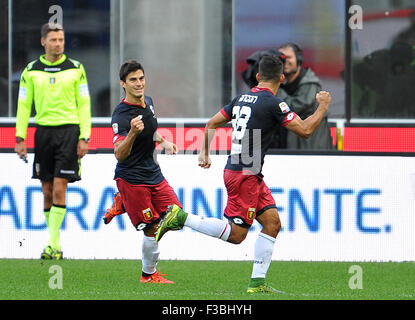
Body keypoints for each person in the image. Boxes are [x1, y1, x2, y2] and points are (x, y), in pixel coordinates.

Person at [156, 55, 332, 293]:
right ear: (281, 77)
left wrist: (204, 152)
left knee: (272, 223)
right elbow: (306, 130)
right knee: (237, 235)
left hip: (247, 172)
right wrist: (322, 105)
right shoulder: (274, 103)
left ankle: (257, 283)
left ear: (258, 77)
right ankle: (181, 217)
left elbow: (211, 123)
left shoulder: (241, 99)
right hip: (244, 174)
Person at [14, 23, 91, 260]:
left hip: (68, 133)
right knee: (46, 190)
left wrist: (84, 136)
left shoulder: (76, 69)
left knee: (59, 188)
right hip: (43, 133)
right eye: (54, 40)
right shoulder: (31, 71)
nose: (59, 44)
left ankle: (53, 244)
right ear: (43, 42)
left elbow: (84, 104)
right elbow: (24, 106)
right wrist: (20, 137)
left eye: (61, 39)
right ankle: (53, 244)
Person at [109, 59, 181, 284]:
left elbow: (150, 130)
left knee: (176, 216)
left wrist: (164, 141)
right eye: (133, 80)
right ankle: (148, 275)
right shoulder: (121, 115)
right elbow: (119, 154)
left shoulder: (148, 102)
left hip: (153, 172)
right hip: (132, 178)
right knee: (150, 229)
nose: (139, 83)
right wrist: (131, 133)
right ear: (123, 84)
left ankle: (122, 202)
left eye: (141, 78)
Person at [276, 43, 333, 150]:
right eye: (281, 58)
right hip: (295, 152)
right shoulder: (285, 86)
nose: (284, 61)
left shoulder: (310, 84)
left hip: (312, 152)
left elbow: (291, 109)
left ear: (299, 59)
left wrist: (274, 84)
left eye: (288, 57)